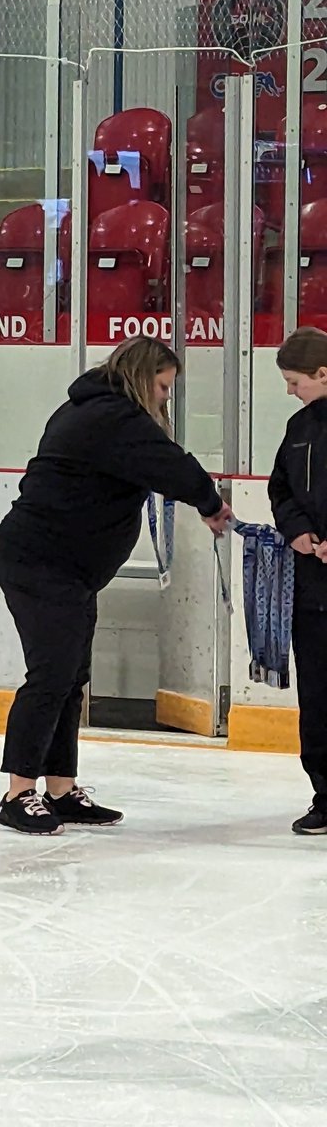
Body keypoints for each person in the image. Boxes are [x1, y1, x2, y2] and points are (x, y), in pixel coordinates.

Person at [0, 338, 233, 835]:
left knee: (71, 675)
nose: (166, 398)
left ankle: (60, 788)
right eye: (164, 387)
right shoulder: (110, 417)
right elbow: (171, 465)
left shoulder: (99, 411)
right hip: (40, 561)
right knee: (51, 674)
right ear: (143, 378)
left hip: (68, 567)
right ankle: (18, 793)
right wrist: (210, 503)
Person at [268, 327, 327, 835]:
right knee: (318, 695)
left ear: (322, 374)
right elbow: (280, 487)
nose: (290, 391)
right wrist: (298, 530)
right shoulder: (299, 427)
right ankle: (326, 795)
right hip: (313, 588)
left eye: (294, 381)